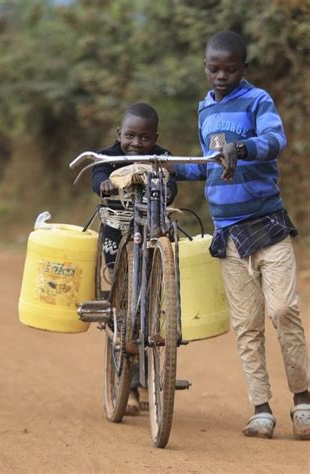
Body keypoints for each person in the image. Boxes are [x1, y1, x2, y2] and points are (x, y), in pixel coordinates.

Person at [174, 31, 310, 440]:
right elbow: (205, 166)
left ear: (243, 69)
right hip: (228, 235)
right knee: (246, 324)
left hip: (268, 227)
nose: (221, 76)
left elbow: (274, 140)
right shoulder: (203, 111)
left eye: (230, 69)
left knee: (284, 311)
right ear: (205, 67)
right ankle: (261, 408)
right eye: (214, 69)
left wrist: (244, 148)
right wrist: (170, 166)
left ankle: (303, 400)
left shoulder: (257, 101)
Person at [92, 101, 177, 416]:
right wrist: (101, 183)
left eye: (145, 138)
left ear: (155, 137)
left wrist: (169, 191)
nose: (137, 143)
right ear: (119, 133)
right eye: (130, 135)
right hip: (118, 227)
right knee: (123, 308)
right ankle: (127, 387)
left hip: (150, 231)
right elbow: (98, 172)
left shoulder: (161, 157)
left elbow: (173, 182)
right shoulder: (110, 155)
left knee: (148, 310)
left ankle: (144, 383)